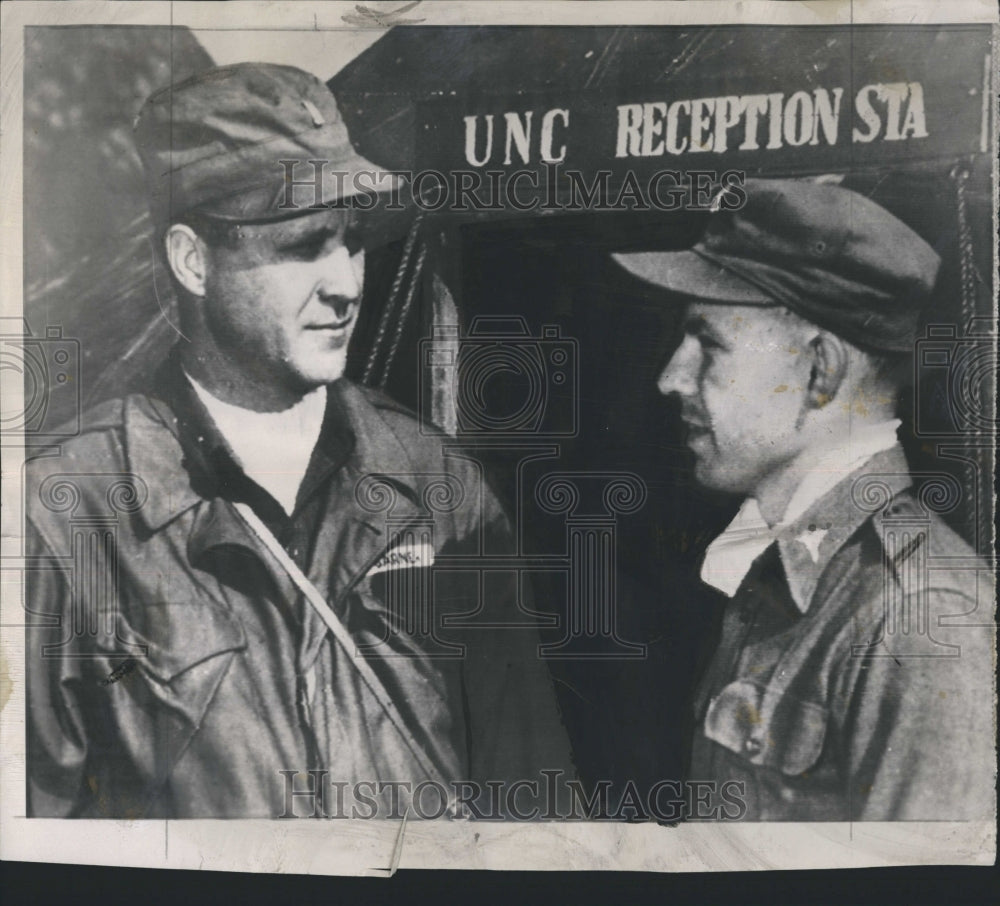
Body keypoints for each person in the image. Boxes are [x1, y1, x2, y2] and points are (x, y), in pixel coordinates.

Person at [26, 63, 573, 818]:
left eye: (351, 241)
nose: (348, 282)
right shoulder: (65, 514)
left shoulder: (436, 481)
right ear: (193, 260)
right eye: (304, 246)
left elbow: (536, 805)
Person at [613, 178, 995, 821]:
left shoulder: (922, 619)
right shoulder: (779, 573)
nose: (669, 378)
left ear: (820, 371)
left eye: (708, 343)